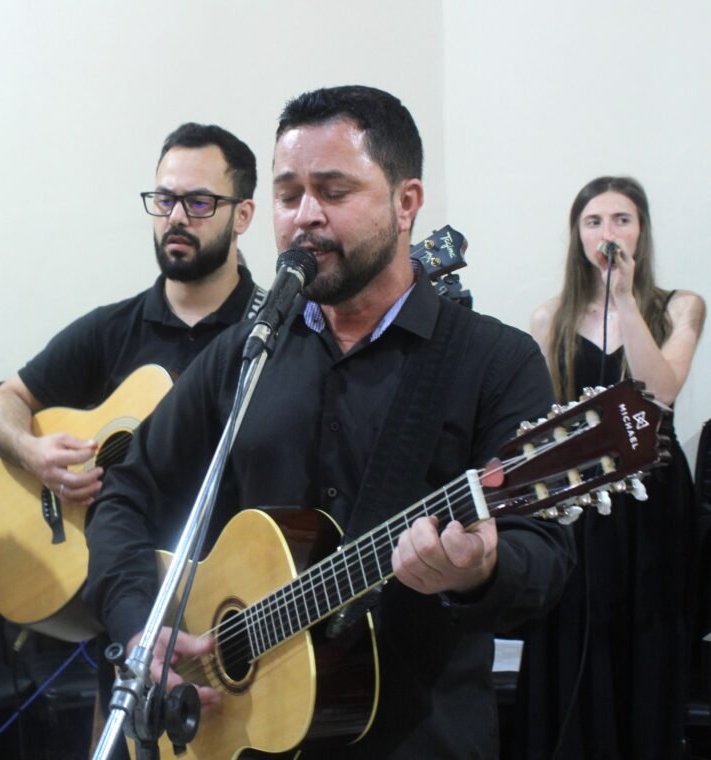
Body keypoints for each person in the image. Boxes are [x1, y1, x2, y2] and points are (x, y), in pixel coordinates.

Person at [84, 85, 576, 758]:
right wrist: (141, 626)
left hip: (420, 737)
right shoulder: (246, 351)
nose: (305, 216)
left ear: (407, 203)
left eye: (334, 191)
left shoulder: (492, 360)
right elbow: (126, 491)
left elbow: (545, 559)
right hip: (243, 732)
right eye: (289, 194)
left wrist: (480, 571)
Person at [517, 176, 706, 758]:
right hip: (580, 494)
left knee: (647, 627)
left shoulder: (680, 306)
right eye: (594, 222)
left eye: (622, 220)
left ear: (641, 232)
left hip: (655, 495)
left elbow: (661, 392)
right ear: (578, 236)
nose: (608, 233)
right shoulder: (549, 317)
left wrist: (624, 299)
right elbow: (544, 420)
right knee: (575, 628)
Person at [0, 122, 261, 505]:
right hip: (99, 554)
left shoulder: (271, 333)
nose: (175, 217)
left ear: (242, 216)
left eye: (198, 202)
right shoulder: (110, 329)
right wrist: (33, 454)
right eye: (164, 200)